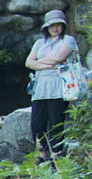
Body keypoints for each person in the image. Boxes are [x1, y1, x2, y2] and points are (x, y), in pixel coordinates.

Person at [24, 8, 79, 166]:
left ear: (63, 26)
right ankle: (44, 154)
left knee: (56, 124)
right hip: (40, 89)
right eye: (51, 25)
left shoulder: (67, 40)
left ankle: (57, 157)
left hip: (58, 88)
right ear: (46, 27)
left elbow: (60, 58)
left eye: (58, 25)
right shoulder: (40, 43)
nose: (55, 28)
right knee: (37, 125)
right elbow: (28, 62)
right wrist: (50, 63)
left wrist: (40, 63)